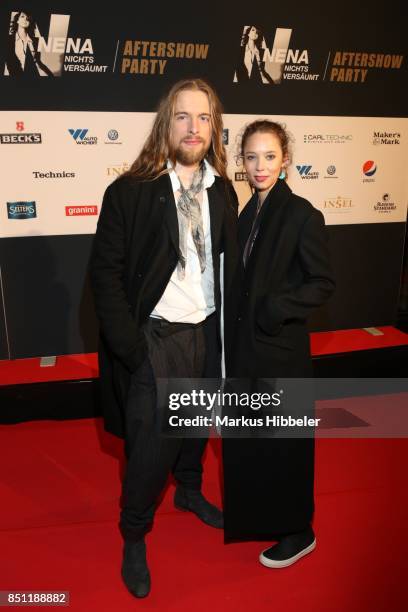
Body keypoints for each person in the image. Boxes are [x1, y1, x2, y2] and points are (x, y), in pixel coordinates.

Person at [90, 79, 237, 598]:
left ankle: (190, 492)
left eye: (204, 118)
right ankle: (134, 534)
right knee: (151, 451)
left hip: (208, 333)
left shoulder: (223, 188)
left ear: (214, 127)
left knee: (197, 429)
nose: (194, 128)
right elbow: (104, 278)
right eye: (183, 117)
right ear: (165, 123)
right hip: (156, 340)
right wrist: (136, 354)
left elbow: (226, 267)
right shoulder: (129, 191)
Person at [223, 120, 335, 568]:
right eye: (251, 157)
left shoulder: (302, 214)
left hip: (281, 353)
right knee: (257, 442)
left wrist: (274, 306)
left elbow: (323, 283)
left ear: (285, 158)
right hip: (247, 352)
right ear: (242, 162)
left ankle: (298, 531)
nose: (260, 166)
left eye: (269, 156)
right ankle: (264, 518)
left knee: (286, 445)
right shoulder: (247, 212)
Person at [4, 11, 54, 76]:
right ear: (17, 20)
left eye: (28, 19)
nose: (25, 19)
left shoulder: (36, 41)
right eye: (22, 17)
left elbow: (38, 62)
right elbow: (9, 63)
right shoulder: (9, 40)